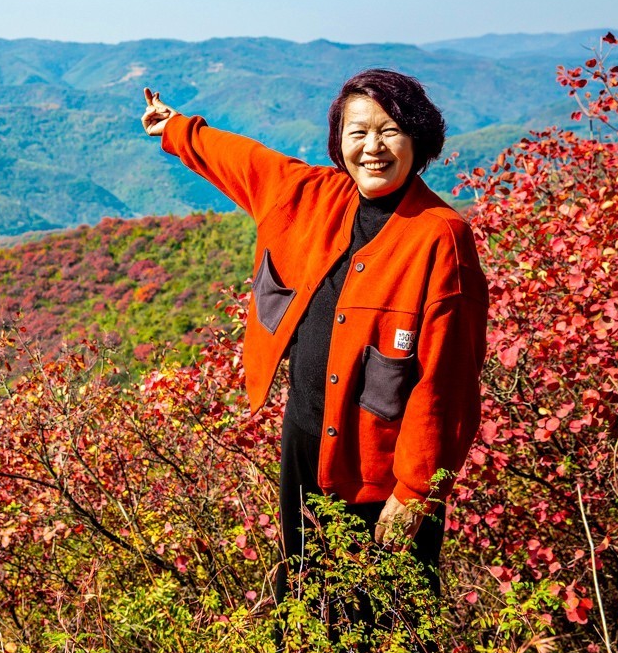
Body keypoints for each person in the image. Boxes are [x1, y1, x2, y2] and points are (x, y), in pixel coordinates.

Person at [140, 69, 488, 608]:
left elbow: (447, 385)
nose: (372, 147)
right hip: (303, 443)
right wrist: (176, 128)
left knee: (386, 627)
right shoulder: (312, 199)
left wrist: (416, 493)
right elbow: (245, 162)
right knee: (302, 609)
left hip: (381, 471)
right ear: (339, 142)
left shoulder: (440, 238)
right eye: (358, 132)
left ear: (417, 137)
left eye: (389, 130)